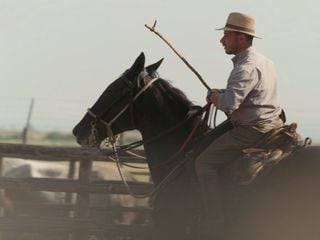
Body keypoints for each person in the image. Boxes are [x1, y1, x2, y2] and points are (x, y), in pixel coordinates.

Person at [194, 12, 284, 239]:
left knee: (203, 162)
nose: (222, 40)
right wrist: (222, 93)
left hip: (252, 129)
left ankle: (215, 222)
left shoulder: (245, 67)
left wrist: (214, 97)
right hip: (273, 122)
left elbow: (230, 105)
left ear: (241, 38)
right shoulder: (265, 61)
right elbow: (250, 96)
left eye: (226, 35)